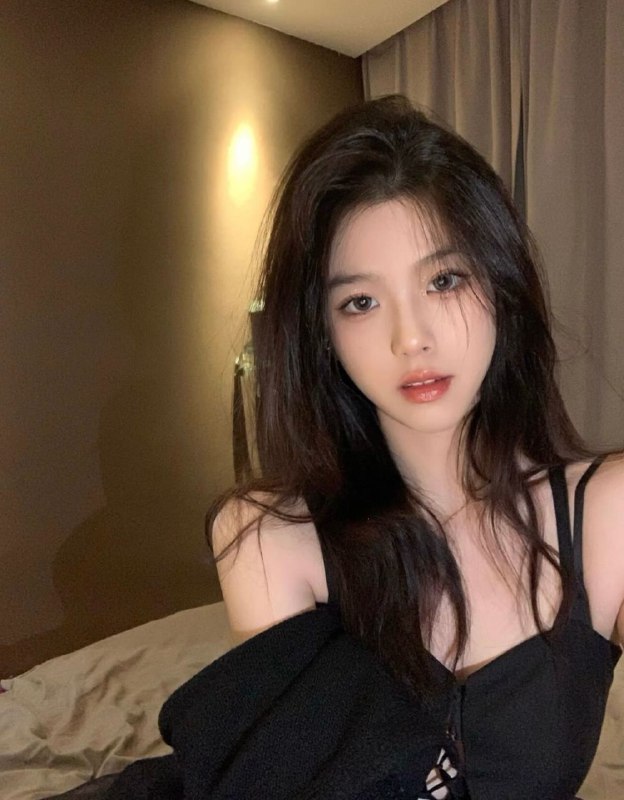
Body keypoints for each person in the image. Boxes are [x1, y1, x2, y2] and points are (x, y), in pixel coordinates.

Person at [206, 95, 624, 799]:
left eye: (444, 280)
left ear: (500, 286)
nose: (411, 338)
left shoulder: (607, 513)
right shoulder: (270, 539)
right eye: (360, 302)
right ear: (322, 335)